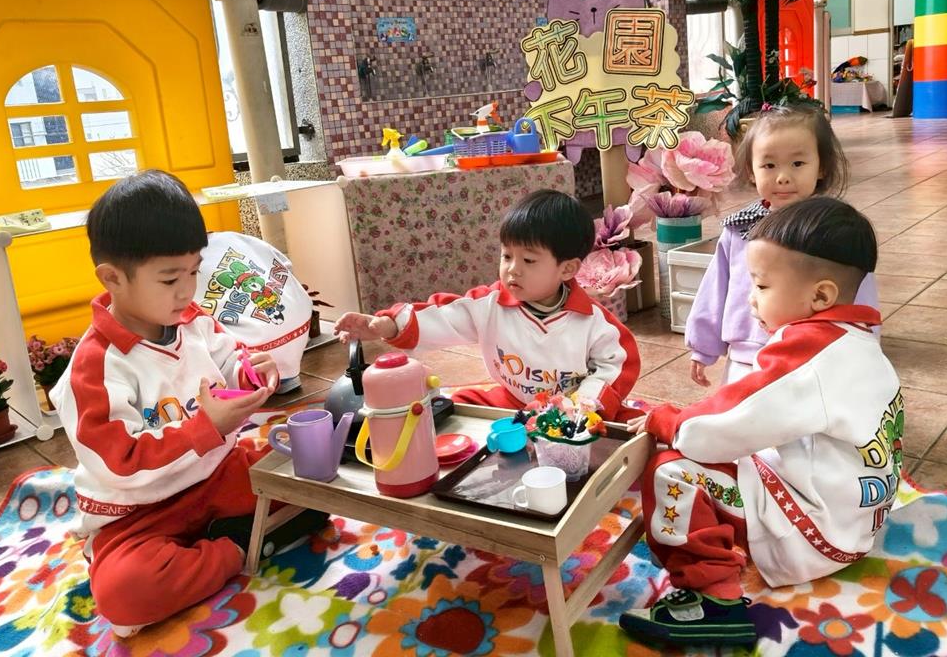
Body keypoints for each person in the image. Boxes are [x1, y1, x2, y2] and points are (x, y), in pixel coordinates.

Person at [619, 197, 902, 649]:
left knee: (672, 469)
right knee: (732, 452)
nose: (750, 298)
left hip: (814, 538)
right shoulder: (858, 342)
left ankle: (714, 601)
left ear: (821, 296)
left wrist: (668, 421)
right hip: (855, 523)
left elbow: (726, 424)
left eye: (762, 285)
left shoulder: (808, 352)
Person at [52, 170, 324, 638]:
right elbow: (120, 467)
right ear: (113, 278)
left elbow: (230, 360)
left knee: (312, 485)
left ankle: (238, 536)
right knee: (125, 597)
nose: (187, 290)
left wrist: (252, 372)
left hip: (217, 476)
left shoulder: (193, 322)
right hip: (141, 514)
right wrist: (206, 428)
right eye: (169, 278)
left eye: (194, 271)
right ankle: (235, 548)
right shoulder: (95, 368)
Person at [335, 189, 641, 421]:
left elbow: (616, 364)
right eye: (507, 256)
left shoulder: (593, 322)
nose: (512, 269)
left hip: (570, 411)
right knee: (451, 406)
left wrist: (582, 405)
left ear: (567, 269)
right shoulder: (490, 304)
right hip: (512, 402)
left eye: (528, 260)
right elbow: (443, 317)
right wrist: (388, 326)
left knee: (633, 427)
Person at [686, 105, 879, 387]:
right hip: (746, 354)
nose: (783, 177)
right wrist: (703, 346)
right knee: (740, 409)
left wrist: (863, 348)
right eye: (769, 165)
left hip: (812, 356)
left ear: (821, 166)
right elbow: (715, 288)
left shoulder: (834, 231)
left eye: (798, 163)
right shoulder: (738, 229)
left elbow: (859, 289)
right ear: (751, 171)